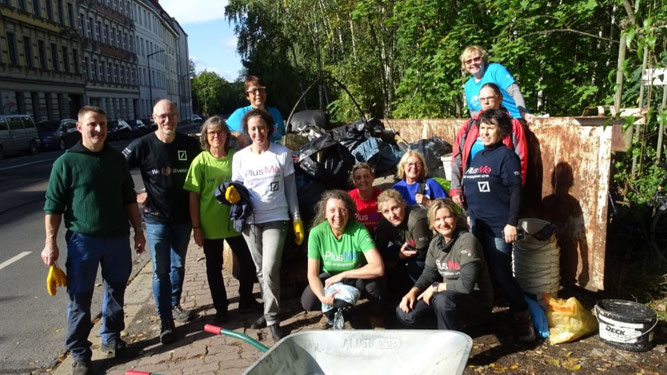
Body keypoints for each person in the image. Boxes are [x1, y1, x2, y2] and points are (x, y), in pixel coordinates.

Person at [41, 106, 146, 375]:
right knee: (79, 297)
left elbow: (128, 198)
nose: (98, 129)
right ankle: (79, 354)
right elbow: (53, 207)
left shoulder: (115, 159)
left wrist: (138, 229)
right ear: (79, 128)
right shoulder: (66, 162)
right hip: (82, 241)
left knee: (116, 291)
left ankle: (111, 338)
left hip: (117, 238)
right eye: (92, 124)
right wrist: (50, 243)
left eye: (102, 124)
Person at [122, 99, 201, 345]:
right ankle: (165, 319)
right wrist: (134, 195)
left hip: (182, 219)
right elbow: (116, 170)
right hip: (155, 220)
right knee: (161, 271)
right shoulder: (142, 145)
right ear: (154, 118)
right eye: (163, 116)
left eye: (172, 115)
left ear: (177, 116)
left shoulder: (189, 144)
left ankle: (174, 304)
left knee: (178, 266)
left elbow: (211, 155)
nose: (168, 120)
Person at [462, 108, 535, 342]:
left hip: (499, 228)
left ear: (501, 130)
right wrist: (469, 216)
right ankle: (481, 316)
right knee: (478, 274)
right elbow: (472, 190)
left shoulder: (507, 156)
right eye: (482, 127)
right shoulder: (478, 157)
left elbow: (516, 191)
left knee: (502, 274)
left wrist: (511, 223)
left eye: (490, 127)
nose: (484, 132)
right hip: (477, 226)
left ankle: (524, 319)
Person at [231, 109, 303, 340]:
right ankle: (269, 311)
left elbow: (291, 191)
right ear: (247, 131)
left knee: (270, 267)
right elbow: (237, 192)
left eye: (261, 127)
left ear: (269, 128)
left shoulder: (281, 154)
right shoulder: (240, 157)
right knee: (260, 271)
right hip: (250, 222)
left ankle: (272, 319)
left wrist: (297, 218)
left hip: (277, 218)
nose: (257, 132)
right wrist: (231, 195)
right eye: (253, 129)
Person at [183, 116, 261, 324]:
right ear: (206, 138)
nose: (216, 136)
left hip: (236, 223)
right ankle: (221, 308)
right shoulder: (200, 162)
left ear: (227, 135)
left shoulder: (237, 157)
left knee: (248, 262)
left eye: (220, 132)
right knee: (213, 267)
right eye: (211, 133)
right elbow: (193, 196)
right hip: (210, 225)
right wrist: (196, 227)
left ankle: (246, 299)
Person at [396, 199, 493, 331]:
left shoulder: (467, 241)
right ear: (432, 223)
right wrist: (413, 291)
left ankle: (449, 344)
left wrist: (436, 287)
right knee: (404, 312)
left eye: (447, 217)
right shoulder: (435, 243)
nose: (443, 223)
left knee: (443, 300)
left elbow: (465, 286)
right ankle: (444, 328)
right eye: (437, 219)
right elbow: (428, 274)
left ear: (456, 217)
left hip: (475, 303)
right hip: (446, 299)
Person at [300, 190, 385, 329]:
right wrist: (323, 298)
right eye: (332, 210)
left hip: (355, 278)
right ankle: (329, 311)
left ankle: (376, 315)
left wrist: (343, 274)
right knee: (308, 301)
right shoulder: (317, 233)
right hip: (329, 279)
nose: (337, 215)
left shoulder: (359, 230)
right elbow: (312, 274)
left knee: (374, 285)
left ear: (349, 212)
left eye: (342, 210)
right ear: (325, 214)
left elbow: (378, 267)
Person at [450, 82, 528, 208]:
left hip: (499, 193)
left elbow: (521, 160)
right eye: (482, 99)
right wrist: (455, 188)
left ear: (500, 98)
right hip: (471, 192)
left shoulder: (512, 124)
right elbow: (457, 158)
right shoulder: (470, 124)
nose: (486, 102)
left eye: (490, 98)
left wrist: (513, 194)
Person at [374, 189, 432, 302]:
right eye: (386, 211)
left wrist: (398, 257)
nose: (392, 215)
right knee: (385, 264)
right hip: (405, 251)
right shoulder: (384, 223)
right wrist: (397, 256)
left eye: (395, 208)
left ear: (403, 204)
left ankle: (423, 295)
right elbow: (379, 251)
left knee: (415, 266)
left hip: (428, 253)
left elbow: (424, 253)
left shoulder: (416, 219)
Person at [460, 45, 534, 122]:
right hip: (489, 125)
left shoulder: (495, 70)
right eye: (468, 61)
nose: (473, 63)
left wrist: (523, 112)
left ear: (483, 59)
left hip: (514, 119)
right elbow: (473, 111)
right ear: (464, 65)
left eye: (477, 59)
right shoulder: (468, 86)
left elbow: (514, 90)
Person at [225, 75, 286, 145]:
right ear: (247, 96)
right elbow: (221, 130)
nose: (258, 94)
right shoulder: (240, 113)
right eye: (253, 91)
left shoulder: (275, 113)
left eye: (261, 90)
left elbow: (282, 137)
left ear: (265, 93)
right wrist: (236, 134)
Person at [348, 163, 382, 235]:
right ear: (354, 181)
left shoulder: (382, 196)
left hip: (379, 236)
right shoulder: (349, 198)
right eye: (358, 178)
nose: (363, 180)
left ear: (372, 178)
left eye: (366, 176)